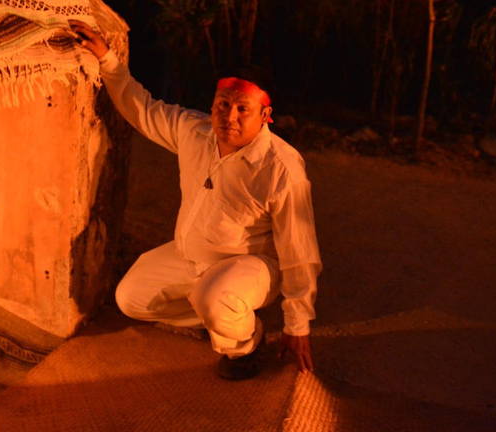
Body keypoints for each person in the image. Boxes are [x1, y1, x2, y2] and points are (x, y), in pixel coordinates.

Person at [70, 20, 322, 380]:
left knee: (215, 298)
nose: (229, 117)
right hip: (191, 257)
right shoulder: (193, 131)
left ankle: (245, 345)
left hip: (252, 265)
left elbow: (301, 252)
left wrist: (298, 324)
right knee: (130, 299)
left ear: (266, 116)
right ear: (213, 102)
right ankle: (224, 314)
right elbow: (142, 108)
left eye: (242, 109)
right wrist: (107, 60)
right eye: (223, 104)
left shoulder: (282, 169)